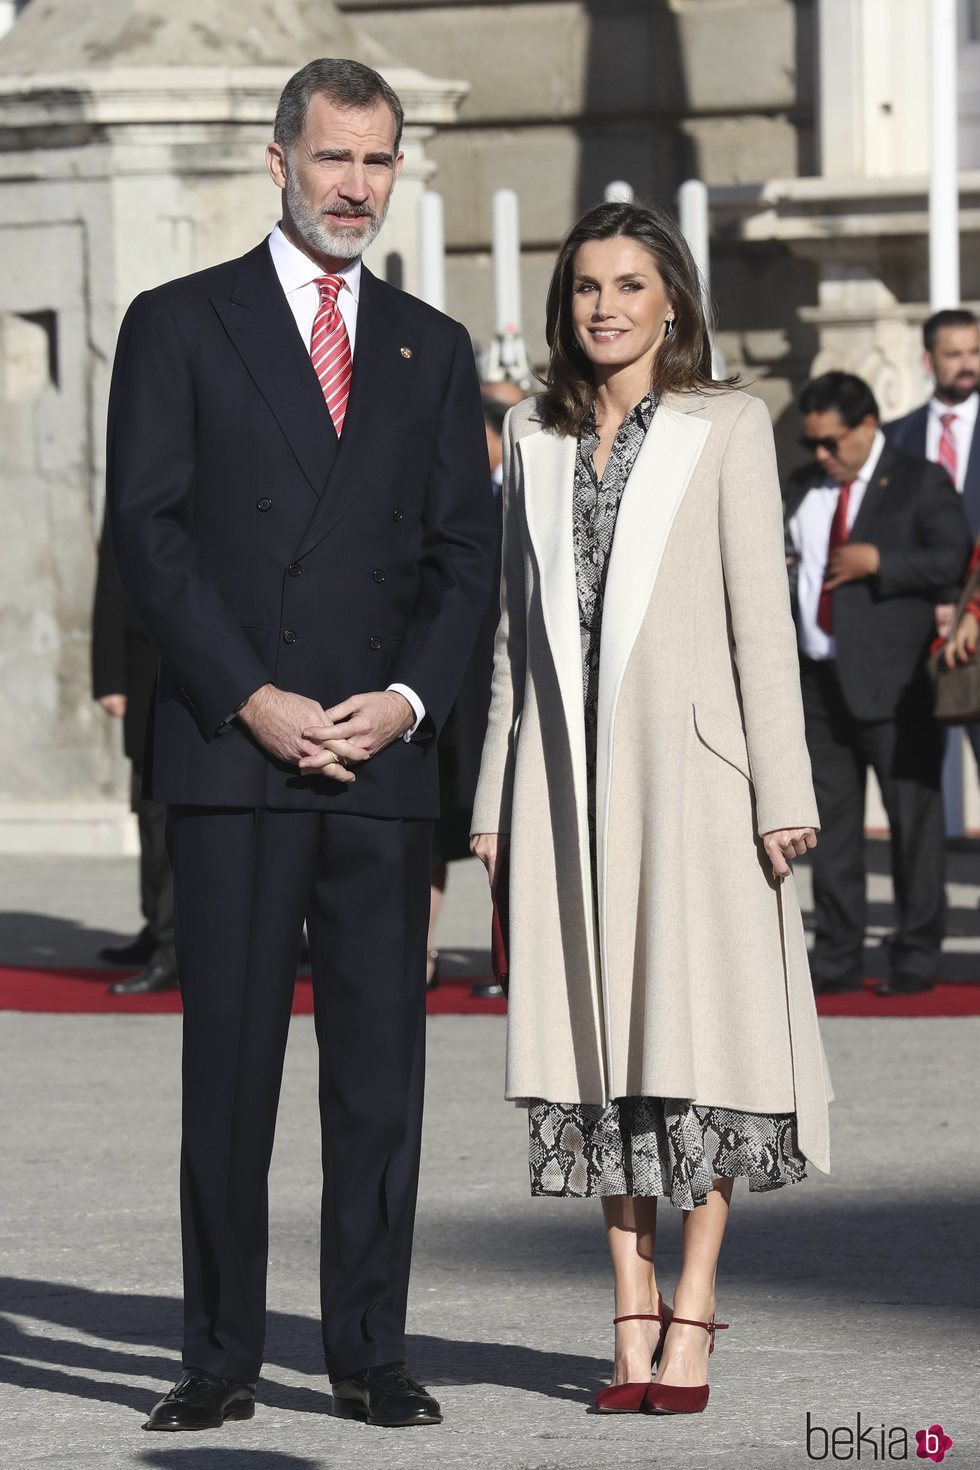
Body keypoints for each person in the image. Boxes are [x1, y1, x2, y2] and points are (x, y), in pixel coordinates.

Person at [106, 58, 495, 1432]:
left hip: (379, 765)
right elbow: (145, 538)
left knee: (379, 1078)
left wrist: (405, 704)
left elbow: (465, 565)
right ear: (279, 160)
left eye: (379, 162)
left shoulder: (431, 349)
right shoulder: (178, 322)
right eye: (334, 158)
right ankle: (217, 1354)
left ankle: (368, 1349)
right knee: (231, 1074)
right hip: (237, 755)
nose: (356, 187)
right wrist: (249, 696)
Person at [470, 200, 831, 1418]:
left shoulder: (727, 425)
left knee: (697, 1047)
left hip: (696, 789)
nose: (605, 307)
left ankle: (692, 1311)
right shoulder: (532, 434)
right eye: (584, 288)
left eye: (628, 285)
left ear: (671, 299)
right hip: (563, 794)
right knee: (594, 1055)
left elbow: (756, 624)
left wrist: (781, 791)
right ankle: (626, 1316)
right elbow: (512, 645)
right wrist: (491, 797)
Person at [785, 371, 972, 998]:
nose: (821, 455)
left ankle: (915, 955)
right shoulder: (804, 486)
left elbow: (954, 556)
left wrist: (881, 563)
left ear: (867, 427)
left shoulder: (919, 481)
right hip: (817, 685)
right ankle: (836, 955)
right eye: (813, 443)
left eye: (832, 442)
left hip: (897, 687)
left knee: (912, 826)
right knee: (830, 831)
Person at [426, 382, 524, 1001]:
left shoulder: (525, 494)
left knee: (504, 827)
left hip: (506, 683)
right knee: (431, 828)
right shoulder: (439, 496)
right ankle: (420, 955)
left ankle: (512, 960)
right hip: (444, 687)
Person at [886, 308, 980, 767]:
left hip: (977, 614)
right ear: (928, 361)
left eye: (975, 352)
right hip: (914, 622)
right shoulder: (895, 437)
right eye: (954, 354)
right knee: (913, 778)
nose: (967, 363)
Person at [91, 527, 177, 994]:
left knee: (169, 814)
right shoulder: (141, 456)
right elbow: (114, 570)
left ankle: (174, 946)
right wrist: (109, 673)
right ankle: (161, 933)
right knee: (152, 810)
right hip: (148, 664)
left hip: (201, 658)